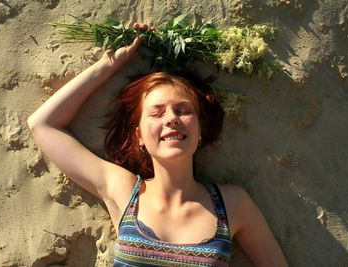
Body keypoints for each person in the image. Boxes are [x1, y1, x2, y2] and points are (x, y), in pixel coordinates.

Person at [28, 23, 288, 267]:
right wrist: (108, 64)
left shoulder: (233, 203)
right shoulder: (124, 190)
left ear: (199, 132)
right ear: (139, 135)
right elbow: (43, 124)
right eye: (157, 113)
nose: (172, 119)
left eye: (183, 110)